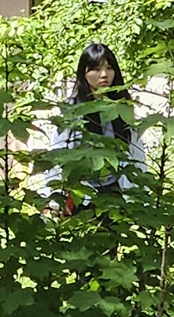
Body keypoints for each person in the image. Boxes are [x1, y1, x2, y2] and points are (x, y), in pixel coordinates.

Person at [46, 41, 145, 203]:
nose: (104, 75)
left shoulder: (123, 106)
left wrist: (140, 192)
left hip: (117, 190)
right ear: (83, 73)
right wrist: (53, 200)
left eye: (109, 68)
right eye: (96, 69)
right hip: (82, 193)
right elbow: (59, 152)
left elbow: (136, 151)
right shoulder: (72, 109)